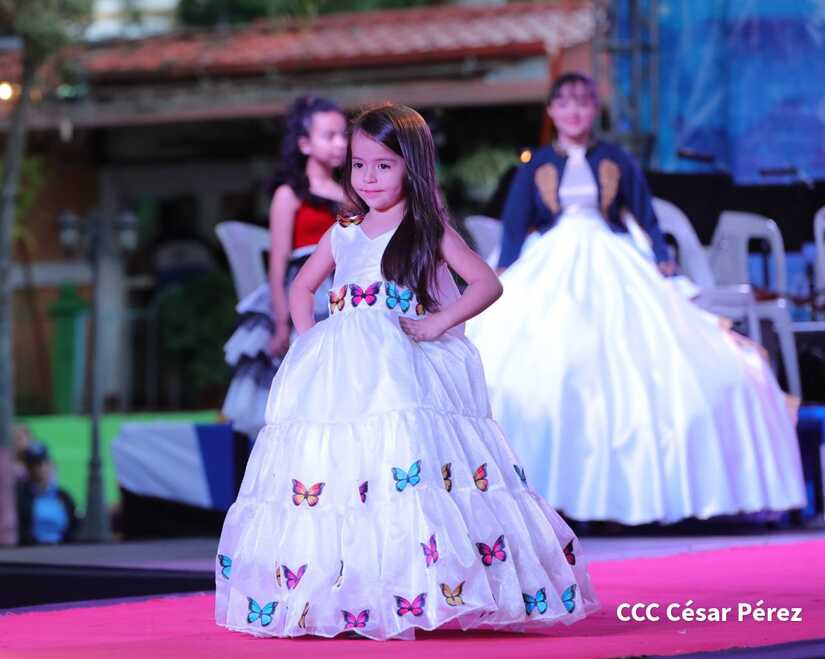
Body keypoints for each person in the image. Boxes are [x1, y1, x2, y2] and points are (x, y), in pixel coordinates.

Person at [214, 104, 597, 640]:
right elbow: (302, 285)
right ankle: (343, 592)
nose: (368, 177)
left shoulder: (425, 227)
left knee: (405, 466)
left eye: (383, 165)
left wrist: (439, 321)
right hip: (342, 370)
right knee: (339, 471)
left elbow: (486, 283)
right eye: (359, 165)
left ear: (410, 166)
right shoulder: (344, 230)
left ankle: (421, 588)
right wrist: (310, 338)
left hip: (402, 366)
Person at [467, 72, 806, 526]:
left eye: (583, 103)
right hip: (552, 256)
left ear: (594, 109)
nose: (574, 112)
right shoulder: (536, 164)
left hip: (612, 255)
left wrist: (663, 260)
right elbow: (514, 222)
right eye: (564, 104)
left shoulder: (616, 159)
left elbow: (645, 215)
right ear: (551, 111)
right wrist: (506, 266)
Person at [222, 96, 347, 439]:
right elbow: (277, 264)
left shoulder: (350, 194)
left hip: (345, 290)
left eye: (343, 135)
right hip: (305, 294)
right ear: (305, 143)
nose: (340, 143)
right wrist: (281, 321)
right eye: (330, 136)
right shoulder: (289, 195)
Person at [16, 443, 78, 545]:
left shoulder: (63, 496)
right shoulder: (21, 497)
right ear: (28, 468)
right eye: (34, 465)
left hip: (63, 548)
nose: (39, 468)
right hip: (31, 549)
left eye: (43, 463)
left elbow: (75, 526)